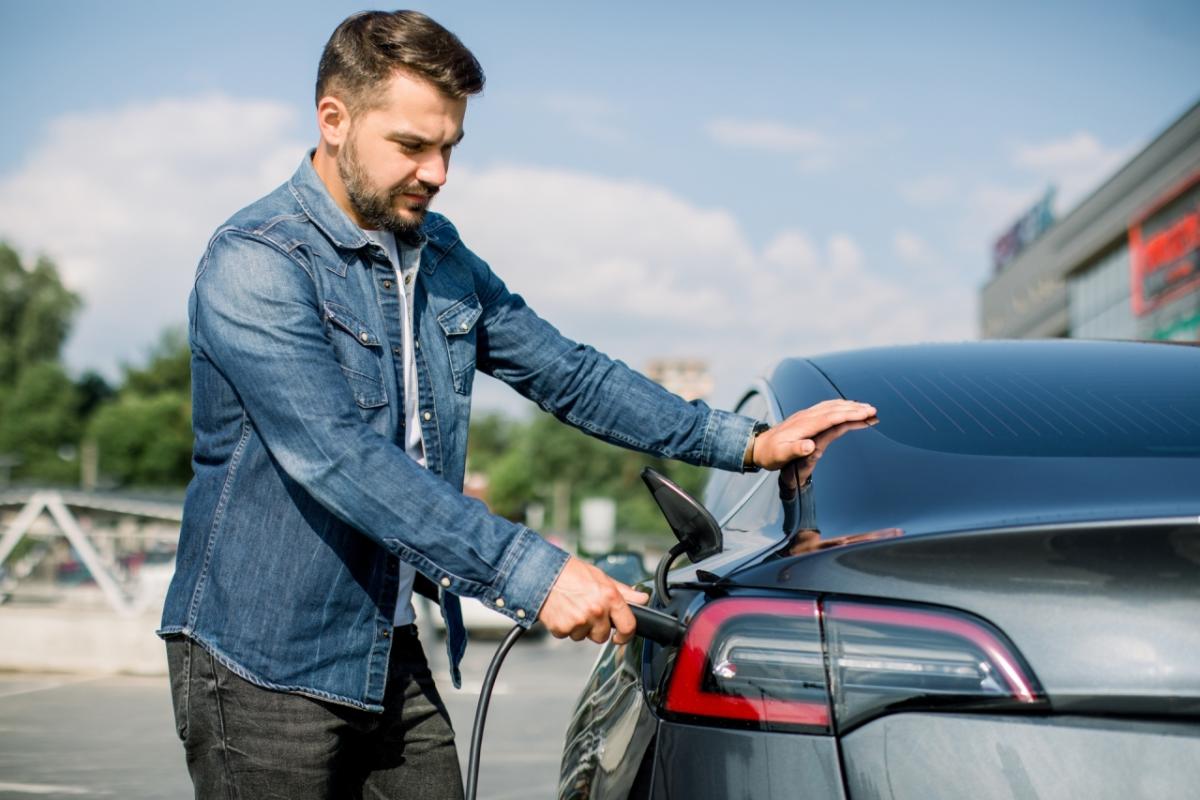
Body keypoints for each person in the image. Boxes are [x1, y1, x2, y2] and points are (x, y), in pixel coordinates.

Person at [158, 9, 876, 799]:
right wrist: (534, 574)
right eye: (411, 146)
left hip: (382, 646)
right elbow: (340, 457)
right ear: (334, 119)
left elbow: (569, 373)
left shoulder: (441, 256)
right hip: (260, 659)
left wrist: (747, 443)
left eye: (449, 148)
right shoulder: (256, 262)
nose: (436, 172)